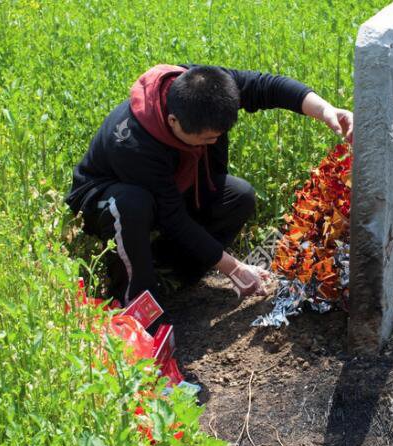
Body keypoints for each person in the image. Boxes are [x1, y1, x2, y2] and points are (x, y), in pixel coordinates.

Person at [65, 63, 353, 310]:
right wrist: (235, 268)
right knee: (132, 204)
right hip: (106, 199)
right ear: (173, 122)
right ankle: (135, 300)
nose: (213, 143)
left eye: (218, 136)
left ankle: (170, 274)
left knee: (238, 196)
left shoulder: (206, 88)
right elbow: (172, 218)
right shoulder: (132, 141)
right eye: (205, 140)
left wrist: (326, 110)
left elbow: (269, 87)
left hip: (170, 191)